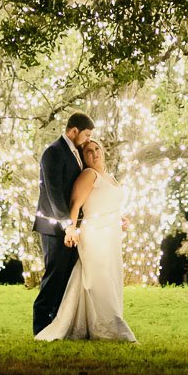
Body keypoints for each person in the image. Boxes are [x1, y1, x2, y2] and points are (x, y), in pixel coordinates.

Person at [34, 135, 137, 342]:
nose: (94, 153)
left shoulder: (109, 176)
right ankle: (110, 326)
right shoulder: (88, 175)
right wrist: (70, 228)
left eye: (97, 149)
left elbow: (108, 204)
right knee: (97, 280)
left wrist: (120, 219)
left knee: (109, 278)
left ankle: (94, 322)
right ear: (84, 157)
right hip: (94, 235)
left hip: (111, 237)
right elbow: (75, 204)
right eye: (88, 151)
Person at [32, 113, 92, 334]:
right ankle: (40, 327)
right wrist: (67, 224)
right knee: (54, 277)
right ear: (74, 131)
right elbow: (54, 193)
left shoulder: (74, 152)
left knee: (66, 279)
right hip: (53, 228)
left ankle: (57, 326)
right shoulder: (53, 152)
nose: (87, 140)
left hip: (71, 228)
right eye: (86, 134)